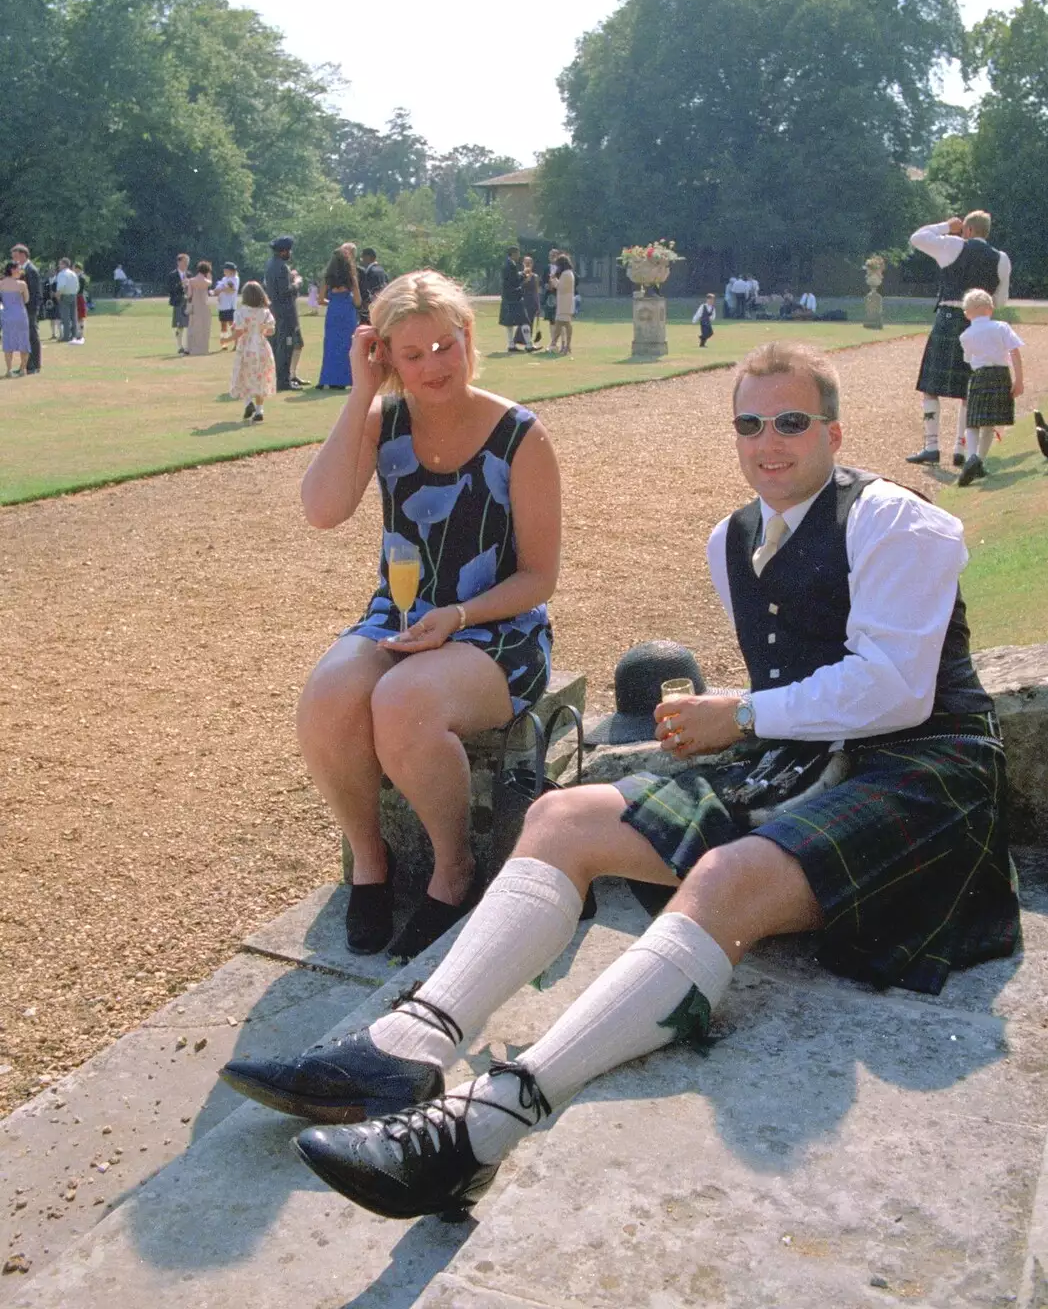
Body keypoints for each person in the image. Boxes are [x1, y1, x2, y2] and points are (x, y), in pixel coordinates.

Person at [221, 338, 1017, 1221]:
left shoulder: (901, 522)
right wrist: (743, 727)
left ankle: (484, 1125)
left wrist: (742, 714)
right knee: (562, 816)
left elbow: (897, 692)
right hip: (796, 759)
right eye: (749, 424)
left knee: (723, 878)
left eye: (792, 421)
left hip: (925, 769)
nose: (769, 442)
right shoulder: (732, 540)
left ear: (833, 429)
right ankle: (403, 1046)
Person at [277, 268, 559, 965]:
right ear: (387, 358)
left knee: (403, 701)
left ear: (467, 338)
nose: (433, 365)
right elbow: (321, 510)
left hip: (496, 628)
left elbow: (539, 576)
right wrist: (361, 393)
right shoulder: (385, 421)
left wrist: (458, 614)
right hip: (398, 616)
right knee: (329, 696)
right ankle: (371, 865)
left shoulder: (520, 436)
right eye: (411, 354)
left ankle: (453, 868)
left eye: (445, 345)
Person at [907, 212, 1010, 469]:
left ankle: (931, 447)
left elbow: (918, 238)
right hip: (978, 323)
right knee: (968, 389)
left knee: (931, 386)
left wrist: (946, 226)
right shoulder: (1001, 259)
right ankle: (961, 449)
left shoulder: (954, 245)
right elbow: (1000, 301)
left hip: (948, 318)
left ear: (968, 230)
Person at [956, 288, 1025, 486]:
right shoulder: (1001, 327)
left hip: (978, 376)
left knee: (972, 420)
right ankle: (978, 460)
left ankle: (971, 457)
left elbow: (969, 359)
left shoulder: (965, 336)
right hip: (1000, 375)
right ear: (989, 309)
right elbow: (1015, 352)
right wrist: (1019, 380)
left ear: (968, 313)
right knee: (989, 422)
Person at [230, 280, 276, 424]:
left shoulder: (241, 312)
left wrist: (227, 338)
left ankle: (248, 402)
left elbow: (239, 330)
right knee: (260, 377)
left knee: (244, 374)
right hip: (261, 347)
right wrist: (262, 330)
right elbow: (271, 330)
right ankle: (259, 409)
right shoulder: (265, 312)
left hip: (246, 346)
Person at [264, 236, 307, 390]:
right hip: (285, 312)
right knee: (285, 346)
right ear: (283, 251)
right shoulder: (282, 267)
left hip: (275, 311)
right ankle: (283, 381)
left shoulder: (270, 264)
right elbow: (285, 292)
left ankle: (282, 378)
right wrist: (297, 283)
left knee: (278, 345)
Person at [317, 244, 361, 390]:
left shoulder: (327, 278)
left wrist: (333, 302)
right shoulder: (351, 277)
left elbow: (320, 300)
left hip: (333, 311)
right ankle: (345, 378)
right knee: (347, 346)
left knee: (330, 345)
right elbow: (357, 301)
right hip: (347, 312)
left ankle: (328, 378)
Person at [10, 246, 40, 373]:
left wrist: (30, 309)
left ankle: (34, 365)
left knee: (32, 335)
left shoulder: (31, 270)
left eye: (15, 256)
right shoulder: (22, 269)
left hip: (29, 308)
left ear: (23, 255)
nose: (14, 259)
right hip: (22, 308)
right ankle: (25, 365)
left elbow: (34, 292)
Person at [498, 246, 531, 353]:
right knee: (524, 320)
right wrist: (524, 274)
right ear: (512, 254)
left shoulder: (505, 263)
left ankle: (511, 344)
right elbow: (515, 280)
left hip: (507, 297)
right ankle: (529, 345)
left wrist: (520, 274)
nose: (519, 256)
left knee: (509, 322)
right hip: (514, 297)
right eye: (517, 253)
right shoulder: (511, 264)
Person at [1, 261, 31, 375]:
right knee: (23, 342)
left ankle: (8, 370)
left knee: (8, 343)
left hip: (7, 315)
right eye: (19, 269)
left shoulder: (1, 284)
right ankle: (23, 369)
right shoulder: (22, 284)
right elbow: (26, 300)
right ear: (13, 270)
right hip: (20, 315)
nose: (21, 271)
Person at [185, 260, 213, 355]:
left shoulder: (191, 281)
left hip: (194, 305)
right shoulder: (207, 282)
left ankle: (190, 348)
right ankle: (203, 348)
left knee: (192, 327)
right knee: (204, 327)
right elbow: (210, 282)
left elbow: (189, 295)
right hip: (204, 306)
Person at [550, 253, 575, 355]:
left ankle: (564, 345)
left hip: (565, 301)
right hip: (565, 301)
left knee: (564, 323)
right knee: (560, 323)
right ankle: (555, 344)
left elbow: (561, 287)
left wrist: (553, 279)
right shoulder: (568, 273)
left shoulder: (566, 274)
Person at [167, 253, 191, 355]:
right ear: (179, 262)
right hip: (178, 302)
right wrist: (181, 284)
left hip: (188, 302)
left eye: (187, 262)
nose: (186, 264)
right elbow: (169, 289)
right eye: (184, 262)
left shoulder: (189, 274)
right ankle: (179, 346)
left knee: (189, 324)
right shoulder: (172, 275)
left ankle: (188, 346)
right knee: (179, 325)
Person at [357, 248, 388, 325]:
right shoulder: (382, 271)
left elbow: (369, 292)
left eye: (362, 258)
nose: (361, 261)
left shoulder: (371, 272)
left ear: (368, 257)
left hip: (372, 309)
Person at [213, 263, 240, 351]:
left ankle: (237, 343)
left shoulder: (235, 278)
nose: (224, 271)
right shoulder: (224, 279)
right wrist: (216, 291)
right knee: (223, 326)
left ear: (230, 270)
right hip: (222, 305)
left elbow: (232, 290)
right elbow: (217, 289)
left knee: (232, 325)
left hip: (230, 305)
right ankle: (224, 343)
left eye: (226, 269)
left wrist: (221, 289)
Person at [54, 258, 80, 343]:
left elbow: (61, 286)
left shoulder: (62, 274)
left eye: (60, 264)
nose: (59, 266)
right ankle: (74, 334)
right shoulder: (73, 273)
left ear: (64, 264)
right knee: (73, 317)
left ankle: (66, 336)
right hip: (73, 295)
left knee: (65, 318)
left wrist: (58, 295)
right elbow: (77, 286)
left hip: (65, 296)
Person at [520, 255, 542, 347]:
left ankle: (529, 342)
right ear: (523, 264)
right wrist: (526, 277)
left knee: (531, 322)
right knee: (524, 322)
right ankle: (525, 342)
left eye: (529, 263)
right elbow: (520, 286)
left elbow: (537, 291)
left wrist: (538, 305)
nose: (528, 265)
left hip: (532, 301)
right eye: (526, 263)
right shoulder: (520, 275)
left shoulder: (535, 276)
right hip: (523, 301)